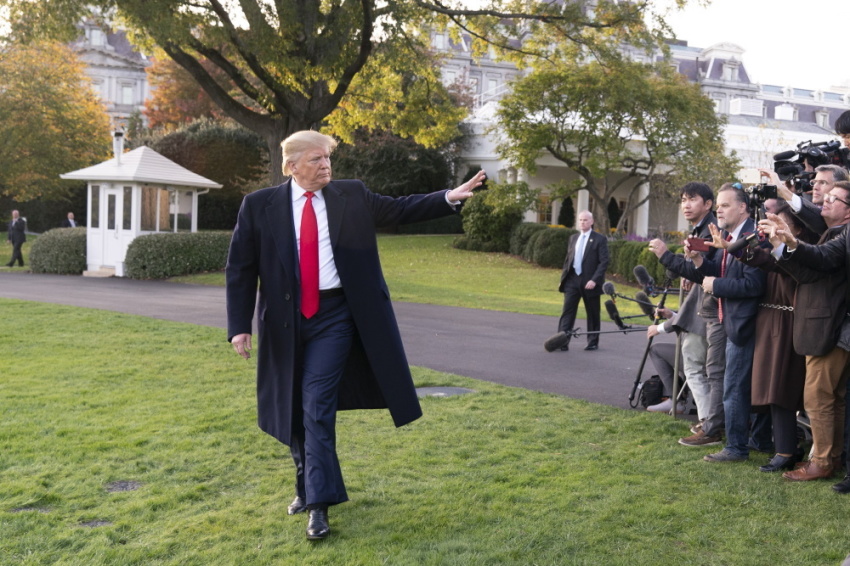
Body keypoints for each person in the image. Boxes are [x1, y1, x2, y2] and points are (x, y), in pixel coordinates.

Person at [225, 130, 485, 541]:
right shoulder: (259, 205)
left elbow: (400, 209)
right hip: (284, 322)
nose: (325, 165)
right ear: (291, 166)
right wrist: (239, 325)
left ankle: (319, 506)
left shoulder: (351, 194)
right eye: (316, 159)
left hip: (336, 317)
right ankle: (305, 485)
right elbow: (240, 267)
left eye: (328, 158)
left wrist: (449, 196)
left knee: (316, 404)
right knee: (292, 409)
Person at [709, 203, 818, 473]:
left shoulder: (796, 253)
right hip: (769, 322)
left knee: (781, 389)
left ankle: (787, 451)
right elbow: (760, 259)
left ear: (798, 229)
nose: (772, 227)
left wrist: (735, 248)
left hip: (785, 323)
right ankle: (779, 447)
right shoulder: (775, 249)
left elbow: (768, 263)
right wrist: (729, 247)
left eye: (779, 222)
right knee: (769, 390)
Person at [761, 181, 850, 482]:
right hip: (825, 326)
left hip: (828, 327)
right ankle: (830, 459)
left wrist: (793, 243)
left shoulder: (841, 237)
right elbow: (806, 274)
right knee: (829, 397)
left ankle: (823, 462)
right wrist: (780, 246)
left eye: (833, 198)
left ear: (848, 212)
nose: (823, 202)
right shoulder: (834, 234)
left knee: (818, 397)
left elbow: (819, 262)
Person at [688, 184, 768, 463]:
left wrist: (716, 285)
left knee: (735, 386)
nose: (718, 210)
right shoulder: (727, 235)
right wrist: (699, 260)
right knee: (733, 384)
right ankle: (747, 442)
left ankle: (736, 448)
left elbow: (754, 285)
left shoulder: (752, 237)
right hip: (730, 321)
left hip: (744, 324)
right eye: (718, 205)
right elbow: (717, 273)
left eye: (724, 205)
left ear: (743, 207)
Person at [648, 181, 718, 431]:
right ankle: (708, 421)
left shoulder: (710, 231)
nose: (685, 205)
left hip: (707, 314)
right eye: (683, 200)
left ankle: (708, 423)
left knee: (696, 369)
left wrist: (666, 256)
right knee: (701, 369)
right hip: (701, 312)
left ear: (708, 204)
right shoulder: (702, 230)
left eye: (692, 199)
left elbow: (702, 273)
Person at [554, 210, 609, 351]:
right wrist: (563, 279)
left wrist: (595, 280)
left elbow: (604, 262)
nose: (582, 222)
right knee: (567, 311)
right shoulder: (573, 238)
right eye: (580, 220)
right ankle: (562, 341)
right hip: (572, 280)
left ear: (591, 222)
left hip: (590, 282)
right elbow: (568, 260)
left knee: (592, 312)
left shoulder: (599, 239)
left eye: (585, 220)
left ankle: (592, 342)